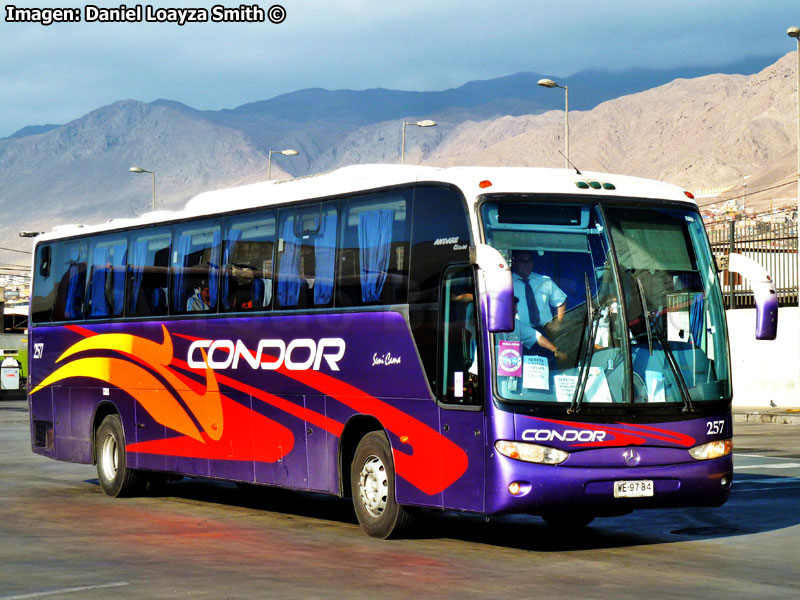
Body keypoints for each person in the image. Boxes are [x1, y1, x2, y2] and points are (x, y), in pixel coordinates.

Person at [511, 249, 566, 330]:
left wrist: (557, 323)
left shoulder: (544, 281)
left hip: (545, 331)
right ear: (514, 263)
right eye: (522, 261)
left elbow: (561, 301)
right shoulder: (506, 284)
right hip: (519, 332)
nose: (527, 264)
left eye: (529, 260)